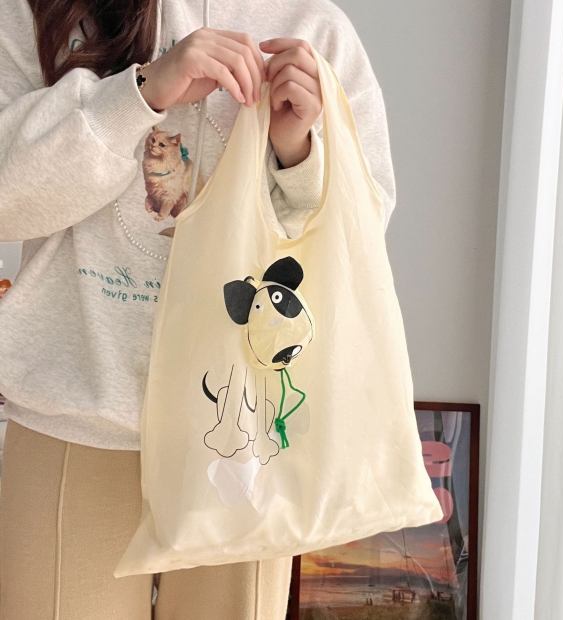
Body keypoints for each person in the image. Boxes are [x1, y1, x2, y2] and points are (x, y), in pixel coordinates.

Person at [0, 0, 397, 617]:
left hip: (247, 435)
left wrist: (296, 152)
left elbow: (357, 246)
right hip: (77, 416)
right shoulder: (44, 10)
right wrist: (140, 94)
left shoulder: (314, 28)